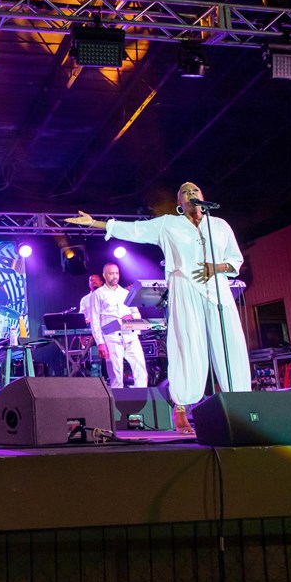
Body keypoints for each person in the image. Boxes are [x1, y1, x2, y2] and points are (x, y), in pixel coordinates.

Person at [68, 182, 251, 434]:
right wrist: (95, 223)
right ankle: (181, 408)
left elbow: (235, 260)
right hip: (184, 287)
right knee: (186, 344)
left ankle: (240, 404)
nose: (190, 194)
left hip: (217, 289)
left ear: (203, 196)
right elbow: (133, 229)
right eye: (184, 192)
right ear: (179, 201)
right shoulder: (168, 224)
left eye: (194, 191)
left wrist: (215, 268)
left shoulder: (219, 226)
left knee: (230, 343)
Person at [88, 263, 148, 389]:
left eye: (117, 273)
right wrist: (100, 342)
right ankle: (117, 405)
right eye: (111, 273)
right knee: (116, 374)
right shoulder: (98, 294)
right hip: (111, 338)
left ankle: (142, 399)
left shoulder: (126, 293)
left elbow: (136, 314)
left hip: (130, 336)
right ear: (104, 275)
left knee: (141, 369)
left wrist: (132, 318)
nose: (115, 276)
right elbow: (95, 321)